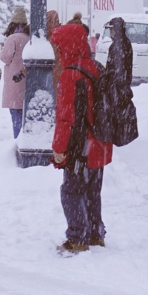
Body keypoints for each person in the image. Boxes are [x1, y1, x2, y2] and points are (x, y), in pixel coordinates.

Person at [52, 17, 112, 252]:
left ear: (68, 46)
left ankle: (77, 237)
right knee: (92, 190)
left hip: (80, 144)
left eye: (59, 45)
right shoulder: (95, 67)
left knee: (71, 190)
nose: (57, 50)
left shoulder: (70, 74)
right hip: (100, 141)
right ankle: (96, 233)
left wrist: (59, 148)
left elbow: (66, 117)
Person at [0, 11, 31, 138]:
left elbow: (5, 57)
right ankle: (24, 137)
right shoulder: (29, 38)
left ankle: (17, 139)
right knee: (24, 114)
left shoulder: (12, 38)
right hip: (26, 79)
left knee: (15, 113)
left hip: (14, 80)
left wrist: (2, 49)